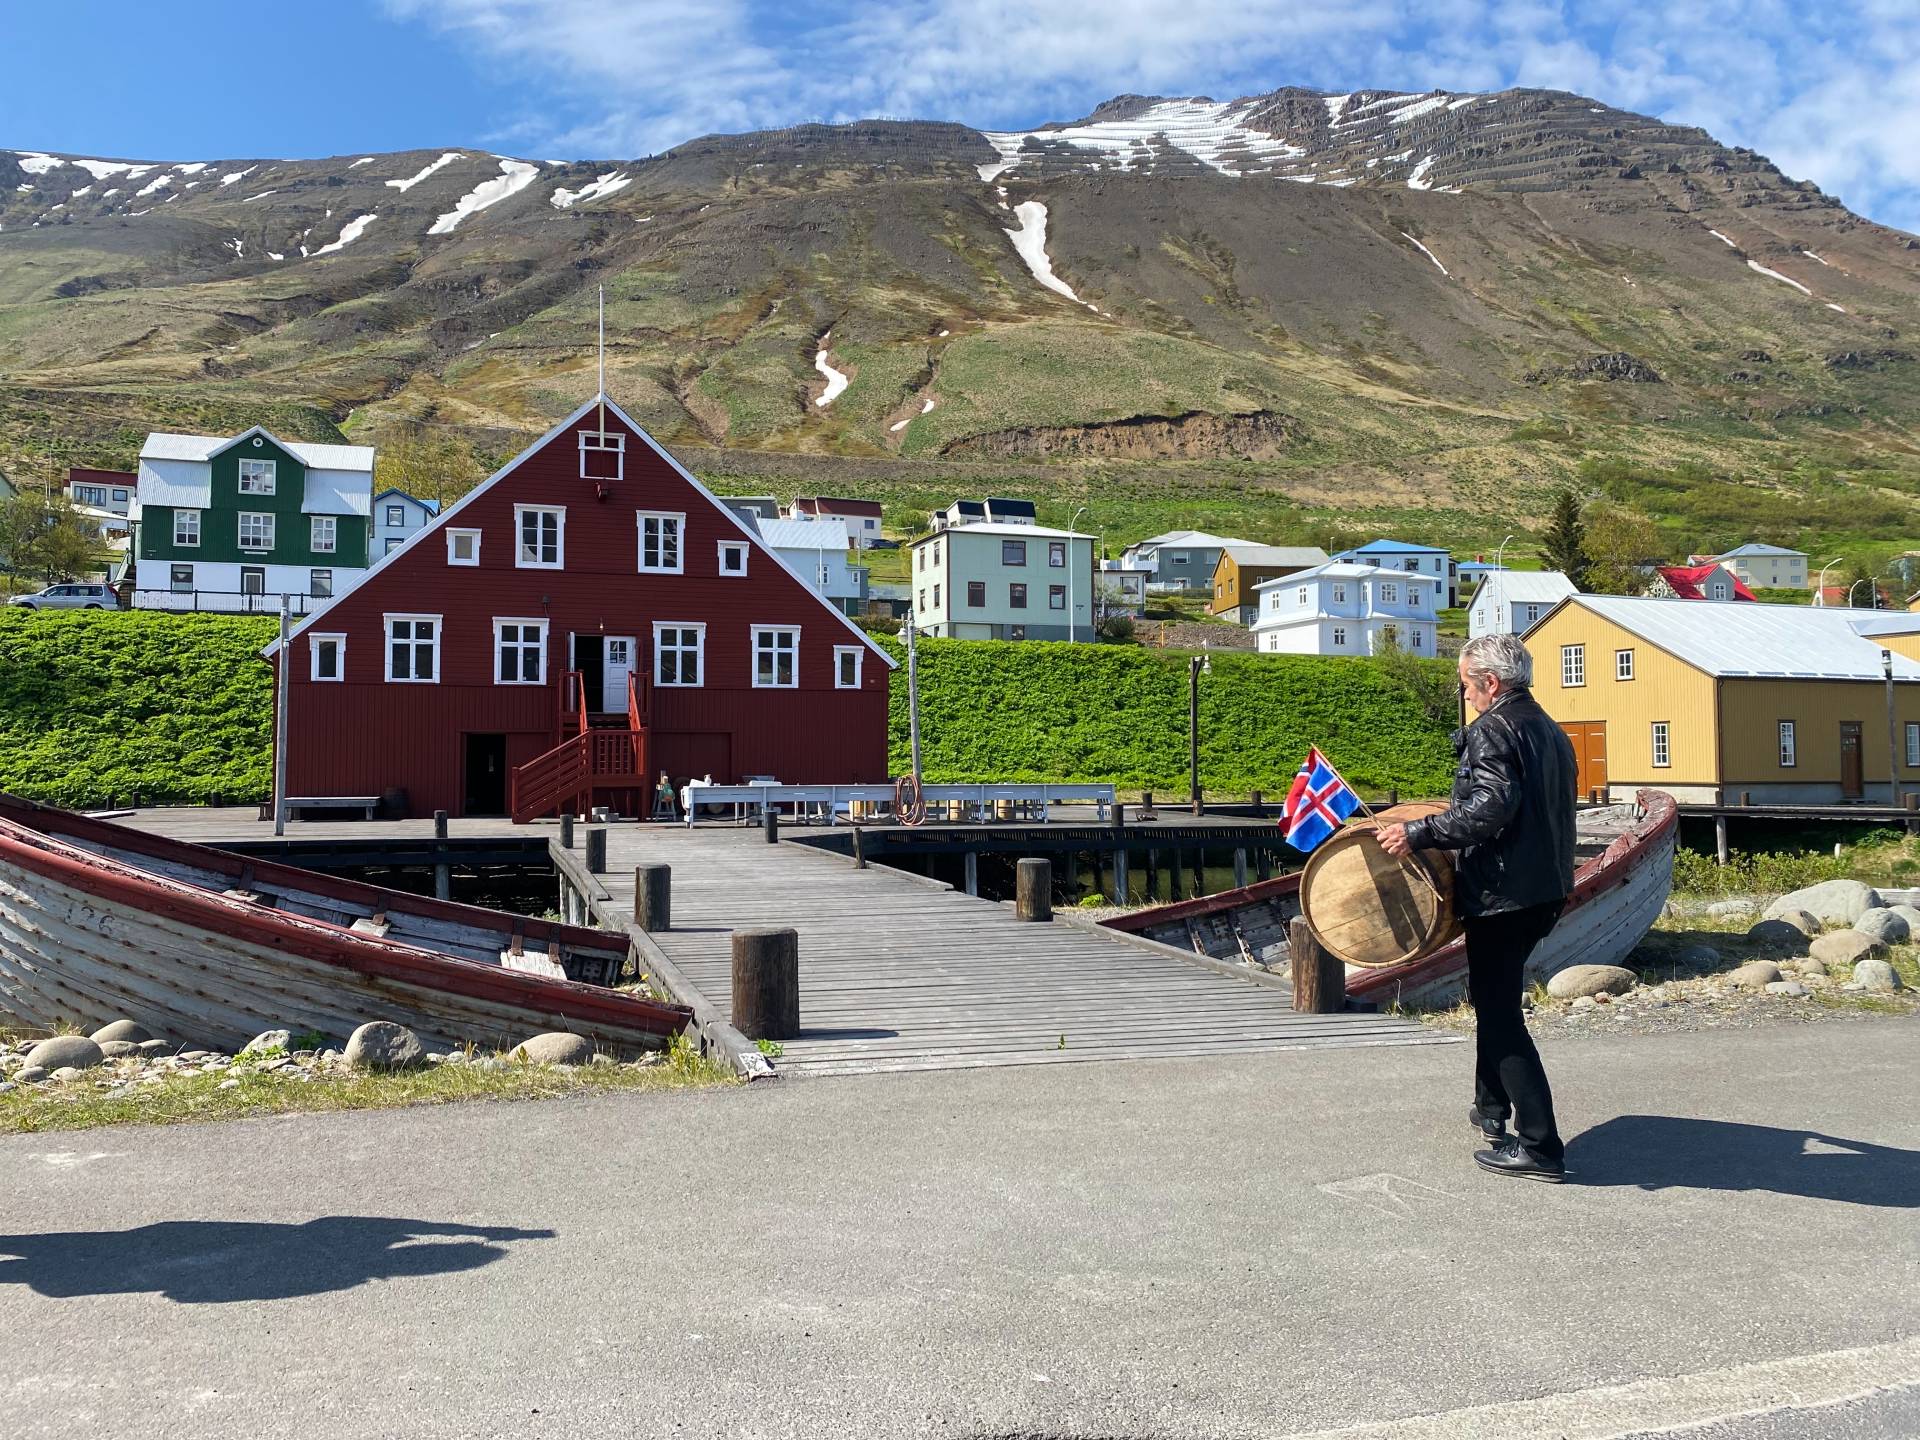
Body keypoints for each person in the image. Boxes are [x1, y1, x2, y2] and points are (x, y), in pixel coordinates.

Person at [1378, 631, 1577, 1183]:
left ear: (1490, 683)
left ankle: (1540, 1147)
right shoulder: (1548, 729)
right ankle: (1491, 1110)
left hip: (1504, 896)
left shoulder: (1492, 728)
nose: (1463, 695)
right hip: (1546, 889)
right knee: (1493, 995)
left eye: (1466, 684)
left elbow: (1492, 806)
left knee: (1499, 1014)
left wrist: (1420, 832)